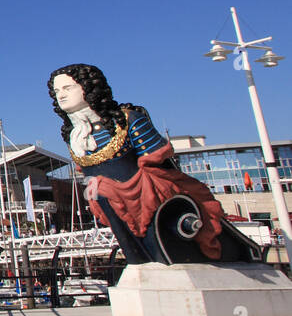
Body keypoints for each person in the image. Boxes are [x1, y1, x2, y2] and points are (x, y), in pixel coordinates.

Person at [47, 64, 251, 264]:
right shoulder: (72, 135)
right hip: (106, 198)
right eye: (57, 91)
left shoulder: (127, 120)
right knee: (114, 215)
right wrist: (92, 198)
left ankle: (155, 259)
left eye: (68, 88)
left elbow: (159, 161)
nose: (61, 95)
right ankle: (139, 261)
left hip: (145, 192)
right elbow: (88, 173)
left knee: (149, 233)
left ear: (88, 87)